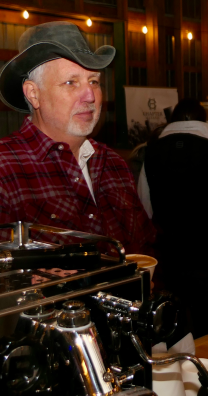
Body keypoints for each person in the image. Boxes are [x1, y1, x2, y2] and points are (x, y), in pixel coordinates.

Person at [0, 21, 154, 254]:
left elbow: (146, 250)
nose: (90, 95)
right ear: (34, 94)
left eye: (94, 81)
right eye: (71, 82)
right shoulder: (5, 169)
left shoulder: (114, 165)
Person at [138, 98, 208, 337]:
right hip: (207, 254)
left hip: (169, 255)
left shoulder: (152, 152)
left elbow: (144, 209)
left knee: (173, 325)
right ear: (203, 121)